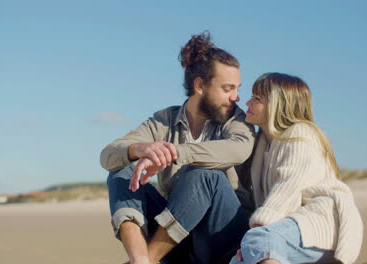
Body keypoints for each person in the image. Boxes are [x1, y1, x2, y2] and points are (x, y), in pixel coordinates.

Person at [100, 32, 255, 264]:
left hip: (223, 238)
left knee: (204, 175)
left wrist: (175, 153)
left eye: (237, 88)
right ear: (200, 85)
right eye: (227, 88)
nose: (236, 97)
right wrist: (140, 149)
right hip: (177, 239)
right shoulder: (164, 120)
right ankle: (140, 259)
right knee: (121, 172)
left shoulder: (236, 120)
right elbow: (108, 155)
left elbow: (239, 149)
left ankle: (147, 261)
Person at [230, 73, 363, 264]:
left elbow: (289, 186)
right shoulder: (263, 144)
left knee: (258, 241)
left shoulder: (300, 133)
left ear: (278, 104)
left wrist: (256, 232)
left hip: (318, 225)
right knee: (237, 261)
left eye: (257, 98)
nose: (248, 102)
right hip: (288, 230)